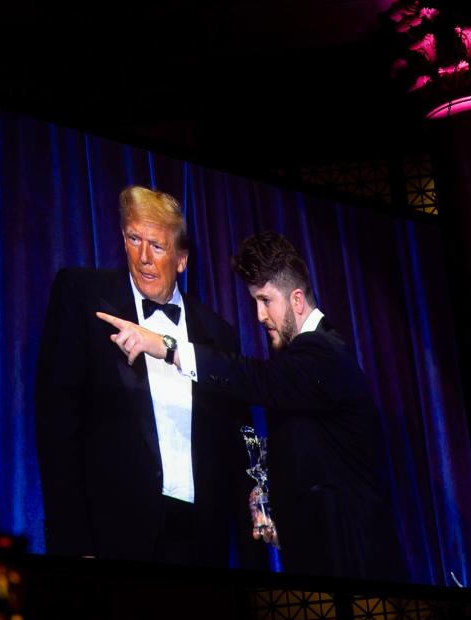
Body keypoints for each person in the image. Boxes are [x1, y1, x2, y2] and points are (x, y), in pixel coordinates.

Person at [98, 231, 404, 581]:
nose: (258, 315)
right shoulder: (306, 364)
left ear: (297, 299)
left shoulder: (323, 353)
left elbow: (254, 379)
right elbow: (314, 459)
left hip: (354, 564)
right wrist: (270, 496)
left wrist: (168, 348)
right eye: (254, 302)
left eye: (265, 300)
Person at [35, 185, 250, 567]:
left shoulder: (220, 334)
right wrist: (73, 540)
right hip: (110, 538)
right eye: (134, 239)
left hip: (201, 543)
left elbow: (236, 443)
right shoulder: (83, 297)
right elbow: (56, 426)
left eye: (158, 245)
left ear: (182, 259)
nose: (144, 257)